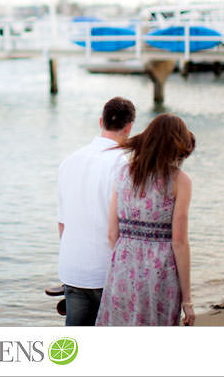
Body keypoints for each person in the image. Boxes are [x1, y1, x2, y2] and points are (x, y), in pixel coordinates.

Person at [96, 113, 196, 326]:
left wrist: (127, 259)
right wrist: (187, 299)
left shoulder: (124, 172)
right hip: (159, 275)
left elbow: (112, 233)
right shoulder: (180, 180)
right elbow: (179, 241)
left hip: (122, 269)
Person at [57, 96, 136, 326]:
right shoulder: (124, 166)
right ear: (129, 127)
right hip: (107, 271)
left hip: (73, 267)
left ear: (100, 121)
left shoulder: (68, 162)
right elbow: (123, 226)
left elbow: (62, 223)